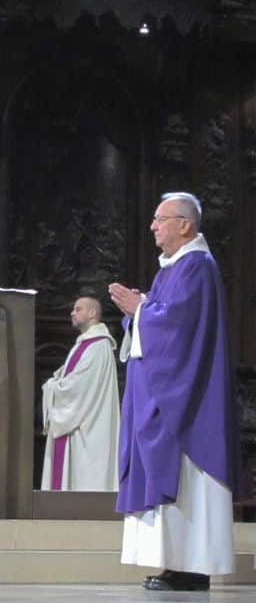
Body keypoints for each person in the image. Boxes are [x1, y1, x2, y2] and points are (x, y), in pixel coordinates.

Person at [108, 192, 241, 591]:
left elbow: (181, 327)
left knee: (189, 479)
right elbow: (167, 318)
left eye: (160, 219)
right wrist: (144, 310)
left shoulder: (196, 266)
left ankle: (192, 566)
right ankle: (175, 563)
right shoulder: (173, 268)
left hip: (187, 403)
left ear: (185, 224)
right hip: (165, 396)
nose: (153, 226)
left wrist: (141, 311)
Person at [40, 296, 120, 491]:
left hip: (88, 425)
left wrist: (52, 387)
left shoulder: (97, 346)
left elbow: (78, 389)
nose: (72, 313)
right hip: (82, 420)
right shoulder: (85, 344)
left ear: (92, 313)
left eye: (78, 309)